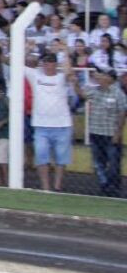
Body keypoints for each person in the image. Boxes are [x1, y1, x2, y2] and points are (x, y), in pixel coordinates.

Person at [25, 48, 84, 192]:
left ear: (55, 64)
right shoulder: (35, 76)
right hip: (41, 125)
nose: (48, 65)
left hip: (62, 124)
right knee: (41, 157)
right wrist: (27, 49)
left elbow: (69, 72)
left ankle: (57, 186)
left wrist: (65, 51)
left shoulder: (61, 77)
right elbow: (16, 63)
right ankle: (45, 188)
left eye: (51, 62)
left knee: (61, 159)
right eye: (45, 62)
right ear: (42, 64)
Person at [85, 66, 127, 196]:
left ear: (110, 78)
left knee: (113, 163)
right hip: (96, 132)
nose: (99, 77)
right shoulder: (95, 91)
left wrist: (118, 133)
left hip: (110, 134)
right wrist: (74, 83)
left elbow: (122, 113)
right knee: (98, 163)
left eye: (102, 75)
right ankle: (105, 186)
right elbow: (82, 94)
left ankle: (113, 187)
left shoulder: (118, 94)